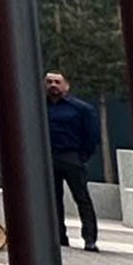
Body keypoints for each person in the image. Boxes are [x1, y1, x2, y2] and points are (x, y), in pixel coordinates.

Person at [45, 72, 104, 252]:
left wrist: (82, 156)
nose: (53, 85)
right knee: (53, 199)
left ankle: (90, 239)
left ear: (66, 86)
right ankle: (59, 236)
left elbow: (92, 134)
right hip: (48, 157)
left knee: (82, 198)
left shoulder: (81, 108)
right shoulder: (39, 107)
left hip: (72, 156)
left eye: (57, 82)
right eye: (49, 82)